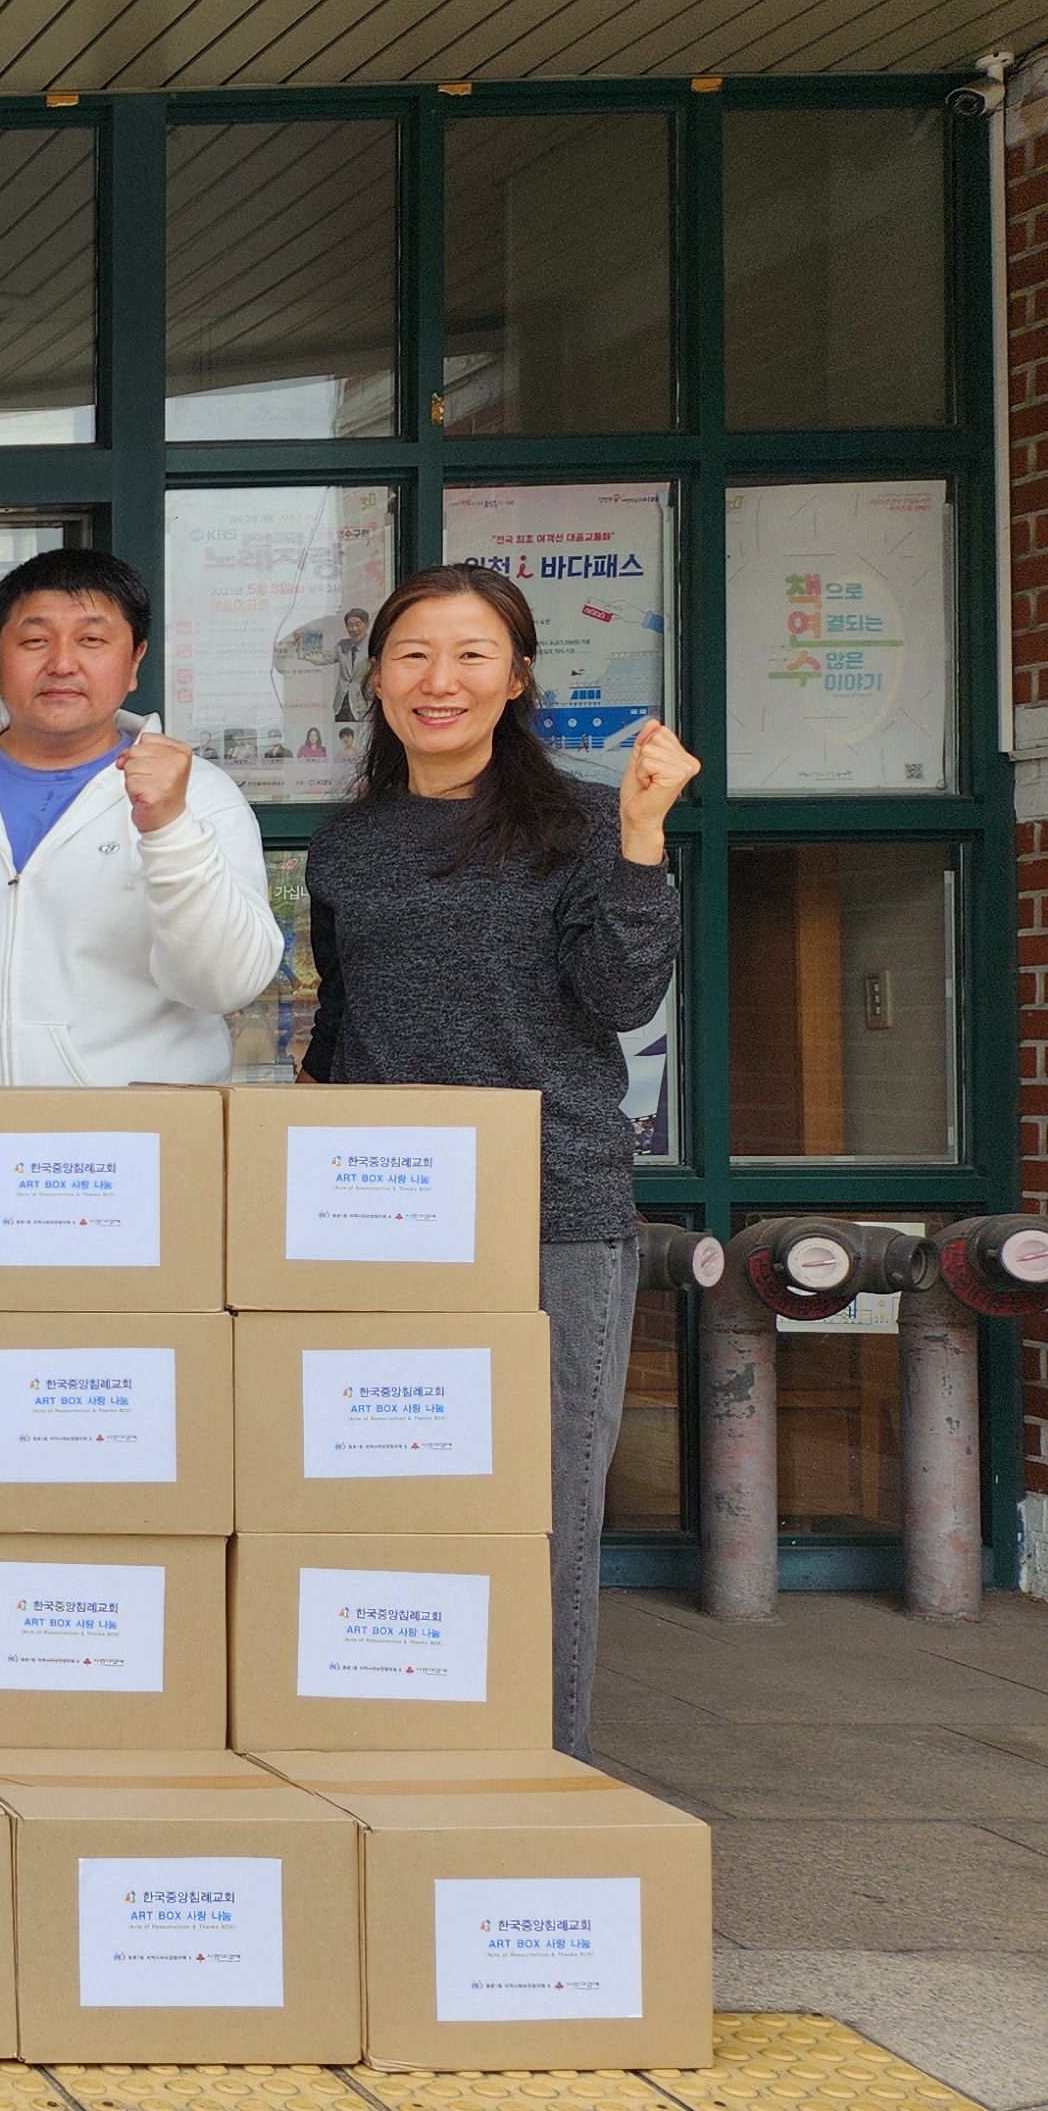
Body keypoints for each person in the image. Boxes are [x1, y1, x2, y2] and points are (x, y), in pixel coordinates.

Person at [302, 564, 694, 1761]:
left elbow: (622, 996)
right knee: (382, 1503)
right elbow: (338, 1032)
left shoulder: (578, 821)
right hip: (378, 1222)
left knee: (543, 1510)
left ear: (516, 680)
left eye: (472, 655)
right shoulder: (347, 843)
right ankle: (397, 1747)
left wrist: (640, 837)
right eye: (413, 654)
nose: (440, 681)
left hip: (548, 1209)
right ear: (375, 680)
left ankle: (537, 1770)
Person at [0, 546, 285, 1085]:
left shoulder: (201, 796)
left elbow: (227, 985)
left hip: (135, 1146)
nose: (62, 663)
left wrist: (170, 829)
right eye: (35, 640)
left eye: (92, 640)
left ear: (135, 661)